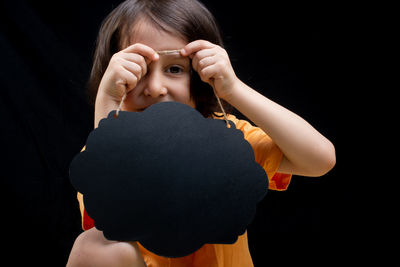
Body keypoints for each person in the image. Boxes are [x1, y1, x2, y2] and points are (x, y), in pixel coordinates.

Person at [67, 0, 336, 266]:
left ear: (200, 78)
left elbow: (319, 159)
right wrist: (107, 101)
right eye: (138, 70)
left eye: (175, 69)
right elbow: (111, 204)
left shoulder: (227, 139)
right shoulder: (101, 157)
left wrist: (233, 89)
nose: (156, 87)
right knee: (94, 246)